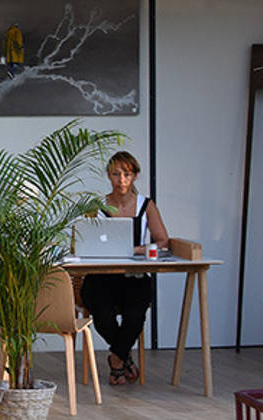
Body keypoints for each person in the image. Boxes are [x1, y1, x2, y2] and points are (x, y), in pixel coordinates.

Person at [80, 151, 169, 385]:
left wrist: (137, 250)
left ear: (135, 176)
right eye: (116, 174)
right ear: (109, 176)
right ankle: (124, 356)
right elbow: (81, 239)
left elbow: (163, 241)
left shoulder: (146, 205)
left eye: (127, 174)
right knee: (102, 317)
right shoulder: (98, 205)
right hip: (102, 276)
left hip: (134, 275)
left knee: (135, 316)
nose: (121, 180)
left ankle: (116, 360)